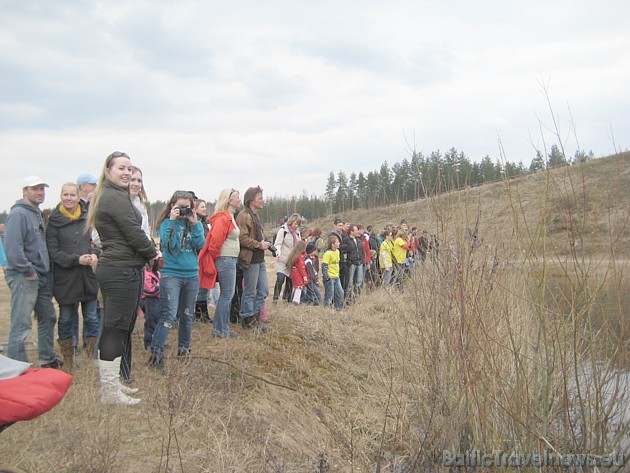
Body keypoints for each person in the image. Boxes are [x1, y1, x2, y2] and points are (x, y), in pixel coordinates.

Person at [87, 151, 158, 405]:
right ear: (108, 171)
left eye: (130, 168)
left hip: (125, 267)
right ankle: (109, 391)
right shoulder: (112, 196)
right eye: (122, 168)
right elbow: (133, 233)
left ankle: (114, 384)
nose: (127, 172)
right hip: (118, 269)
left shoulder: (116, 194)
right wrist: (153, 254)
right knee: (115, 329)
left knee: (122, 327)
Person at [4, 176, 62, 368]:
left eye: (42, 189)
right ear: (25, 191)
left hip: (41, 276)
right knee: (21, 325)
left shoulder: (36, 213)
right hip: (25, 276)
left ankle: (47, 358)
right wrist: (28, 270)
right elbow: (13, 249)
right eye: (35, 189)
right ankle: (16, 366)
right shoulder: (18, 214)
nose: (39, 193)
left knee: (48, 317)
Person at [46, 182, 100, 372]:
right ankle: (68, 358)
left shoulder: (89, 217)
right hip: (66, 278)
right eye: (65, 195)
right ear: (61, 196)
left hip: (88, 278)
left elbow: (98, 241)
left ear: (79, 196)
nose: (69, 198)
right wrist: (76, 259)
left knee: (92, 317)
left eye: (72, 195)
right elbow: (53, 251)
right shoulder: (54, 221)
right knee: (67, 318)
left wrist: (95, 254)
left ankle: (92, 356)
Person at [148, 191, 205, 370]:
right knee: (169, 315)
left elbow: (201, 245)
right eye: (179, 206)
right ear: (172, 206)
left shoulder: (195, 224)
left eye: (186, 207)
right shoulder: (166, 223)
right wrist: (172, 220)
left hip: (191, 274)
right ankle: (156, 356)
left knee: (188, 315)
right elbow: (169, 246)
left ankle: (184, 351)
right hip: (172, 274)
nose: (183, 210)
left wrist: (195, 224)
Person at [200, 188, 241, 338]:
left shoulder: (229, 216)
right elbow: (215, 243)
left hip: (229, 259)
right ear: (229, 200)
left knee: (227, 294)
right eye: (237, 197)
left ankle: (221, 328)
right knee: (227, 295)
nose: (239, 199)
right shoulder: (223, 218)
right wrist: (218, 257)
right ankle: (219, 330)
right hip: (225, 259)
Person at [235, 186, 272, 330]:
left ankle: (255, 317)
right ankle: (247, 319)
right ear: (251, 200)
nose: (263, 200)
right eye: (260, 198)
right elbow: (241, 238)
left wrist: (266, 244)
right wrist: (258, 245)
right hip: (250, 260)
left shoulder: (255, 216)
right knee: (250, 291)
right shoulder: (244, 216)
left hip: (259, 259)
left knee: (263, 290)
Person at [272, 213, 302, 304]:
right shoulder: (283, 231)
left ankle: (287, 301)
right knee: (280, 279)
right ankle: (275, 300)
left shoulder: (297, 233)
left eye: (298, 224)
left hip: (292, 262)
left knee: (290, 283)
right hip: (282, 259)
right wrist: (278, 253)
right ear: (291, 222)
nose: (297, 226)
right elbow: (278, 244)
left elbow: (299, 246)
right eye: (295, 223)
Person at [194, 198, 213, 323]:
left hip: (206, 257)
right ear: (195, 209)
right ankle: (200, 313)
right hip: (198, 258)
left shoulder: (206, 223)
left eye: (205, 206)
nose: (205, 209)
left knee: (204, 287)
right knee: (200, 287)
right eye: (202, 207)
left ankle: (201, 313)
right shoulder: (197, 223)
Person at [322, 235, 344, 311]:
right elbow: (324, 266)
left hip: (336, 276)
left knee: (340, 293)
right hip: (330, 277)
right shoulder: (327, 253)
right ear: (332, 244)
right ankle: (326, 309)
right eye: (337, 242)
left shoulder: (337, 252)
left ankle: (338, 309)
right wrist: (327, 277)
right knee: (329, 294)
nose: (339, 243)